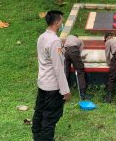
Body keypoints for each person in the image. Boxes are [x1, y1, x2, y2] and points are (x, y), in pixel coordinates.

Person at [32, 10, 71, 141]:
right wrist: (65, 90)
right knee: (50, 118)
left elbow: (46, 58)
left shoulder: (42, 37)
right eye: (61, 21)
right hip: (53, 87)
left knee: (39, 113)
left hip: (43, 83)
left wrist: (61, 46)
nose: (62, 24)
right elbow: (58, 67)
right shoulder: (55, 41)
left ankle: (37, 137)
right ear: (56, 22)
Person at [64, 34, 92, 99]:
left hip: (65, 51)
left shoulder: (68, 38)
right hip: (74, 51)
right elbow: (78, 53)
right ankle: (82, 94)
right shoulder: (80, 41)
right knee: (80, 71)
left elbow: (64, 48)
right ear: (77, 37)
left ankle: (64, 92)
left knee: (66, 71)